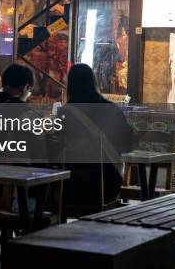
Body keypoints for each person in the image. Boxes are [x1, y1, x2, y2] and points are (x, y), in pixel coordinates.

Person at [57, 63, 136, 210]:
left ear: (71, 85)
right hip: (107, 185)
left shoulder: (64, 113)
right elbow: (129, 144)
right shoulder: (112, 109)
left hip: (68, 187)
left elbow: (56, 147)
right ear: (94, 82)